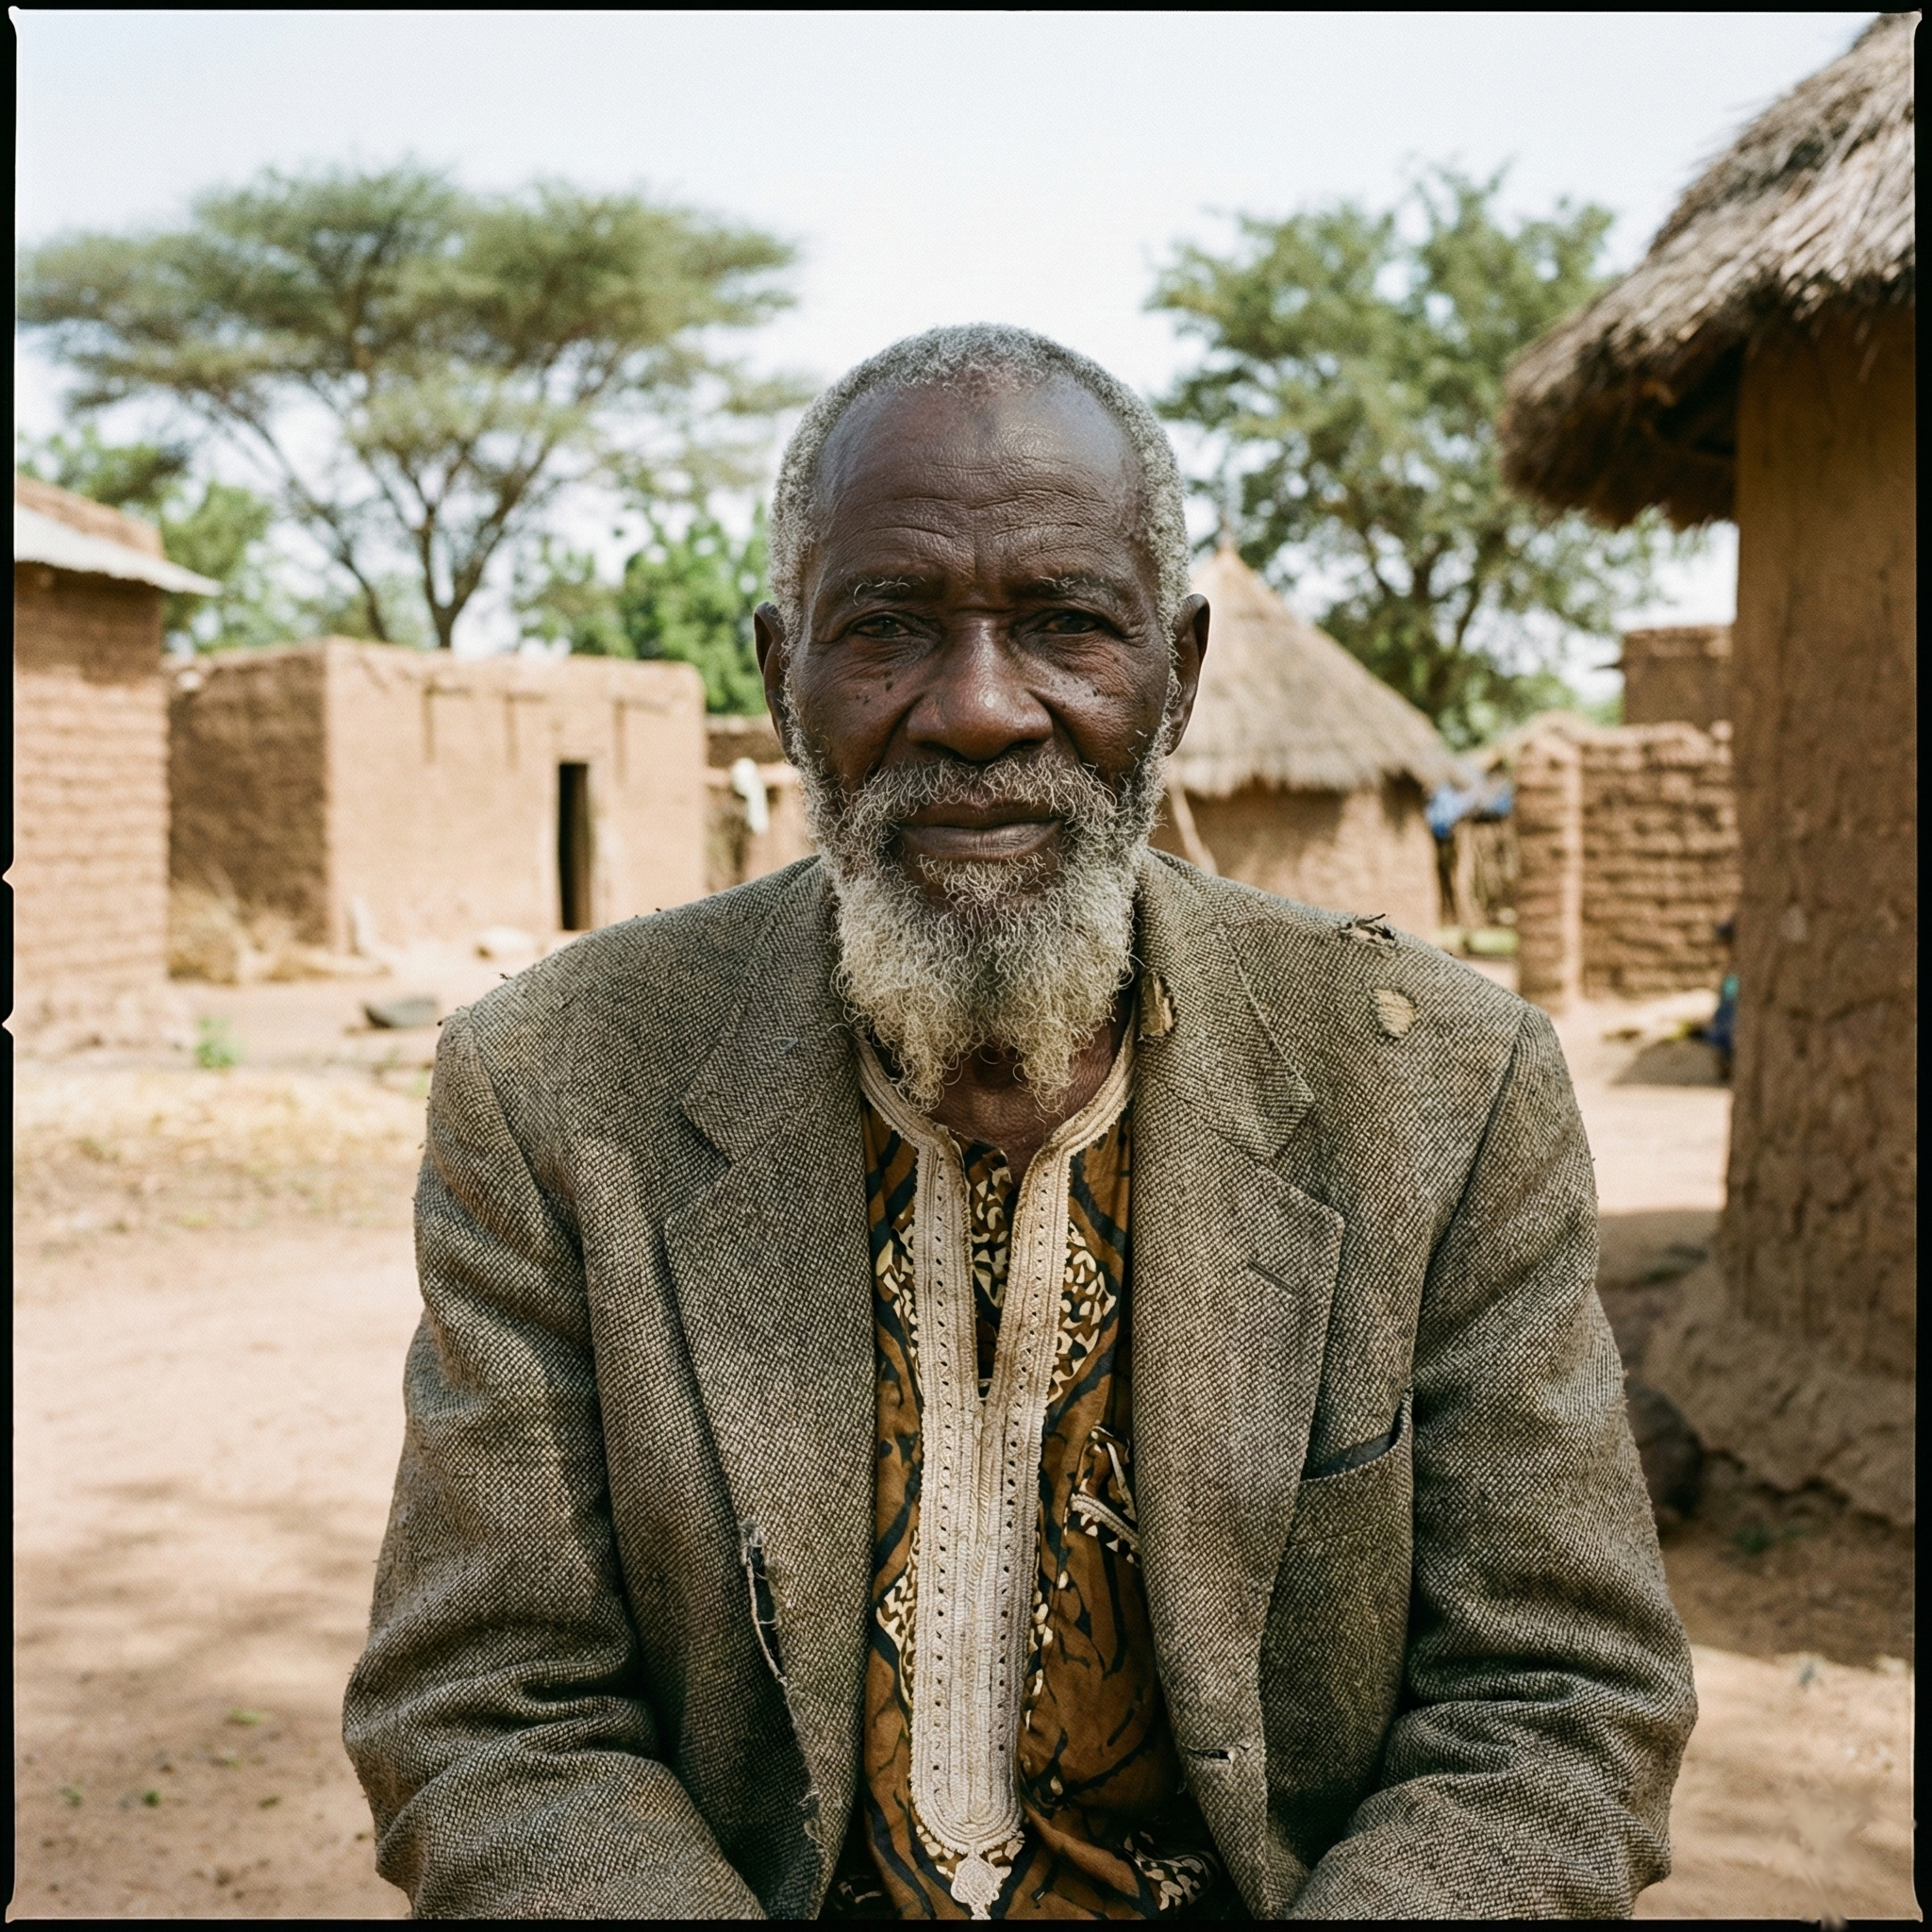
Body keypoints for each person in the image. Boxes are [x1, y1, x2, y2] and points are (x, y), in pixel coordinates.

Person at [344, 325, 1695, 1920]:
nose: (979, 710)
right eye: (890, 628)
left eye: (1063, 624)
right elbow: (487, 1707)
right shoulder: (561, 1086)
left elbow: (1556, 1697)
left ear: (1178, 676)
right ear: (784, 675)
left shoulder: (1442, 1090)